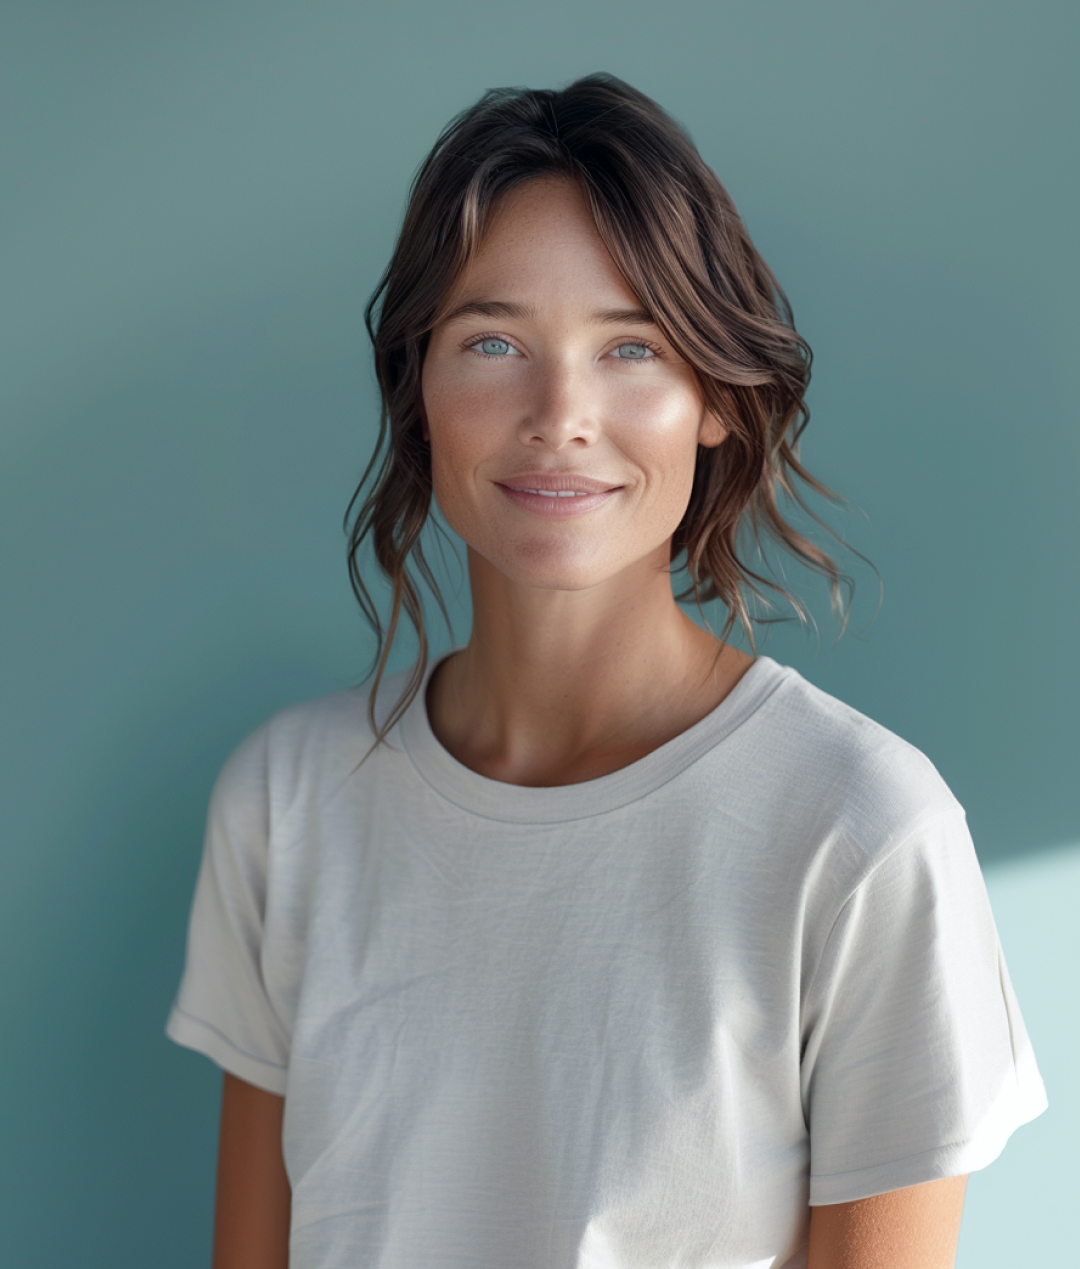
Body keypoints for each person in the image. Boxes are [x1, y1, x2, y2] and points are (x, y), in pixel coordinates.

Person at [166, 74, 1047, 1269]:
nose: (560, 413)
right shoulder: (285, 802)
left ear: (716, 401)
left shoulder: (861, 834)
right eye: (493, 341)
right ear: (419, 393)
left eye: (631, 346)